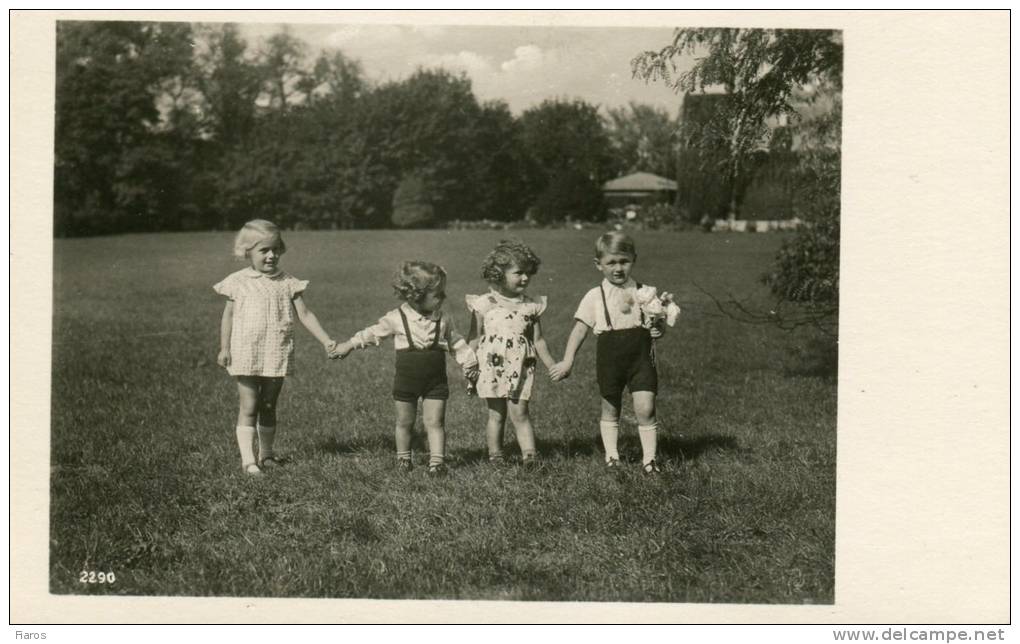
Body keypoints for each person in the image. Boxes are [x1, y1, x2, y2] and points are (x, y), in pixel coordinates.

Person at [214, 219, 338, 476]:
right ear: (247, 251)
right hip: (246, 352)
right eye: (264, 250)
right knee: (249, 405)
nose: (271, 256)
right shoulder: (237, 281)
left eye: (275, 249)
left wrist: (326, 340)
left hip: (277, 351)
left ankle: (267, 455)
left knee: (269, 405)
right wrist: (224, 348)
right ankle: (249, 461)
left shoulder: (288, 281)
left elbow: (305, 314)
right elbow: (228, 316)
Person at [331, 261, 478, 476]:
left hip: (435, 381)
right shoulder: (396, 318)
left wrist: (469, 361)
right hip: (406, 381)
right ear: (415, 295)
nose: (443, 297)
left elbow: (456, 342)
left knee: (435, 422)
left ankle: (437, 464)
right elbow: (373, 333)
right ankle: (403, 459)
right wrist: (349, 345)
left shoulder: (444, 318)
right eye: (437, 294)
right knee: (404, 422)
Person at [550, 231, 678, 475]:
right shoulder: (594, 296)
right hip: (610, 359)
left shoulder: (645, 293)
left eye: (624, 261)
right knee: (610, 407)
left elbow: (657, 324)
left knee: (646, 407)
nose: (618, 268)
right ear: (599, 265)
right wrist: (568, 360)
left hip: (640, 358)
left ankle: (649, 461)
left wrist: (659, 330)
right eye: (611, 263)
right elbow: (579, 330)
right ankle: (612, 456)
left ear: (634, 259)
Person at [466, 240, 556, 466]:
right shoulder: (484, 303)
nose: (525, 278)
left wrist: (552, 365)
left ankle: (530, 457)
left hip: (521, 367)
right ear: (498, 274)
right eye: (519, 273)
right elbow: (474, 338)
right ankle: (496, 457)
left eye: (528, 273)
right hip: (492, 367)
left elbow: (539, 340)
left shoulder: (531, 305)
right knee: (496, 414)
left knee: (521, 412)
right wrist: (468, 364)